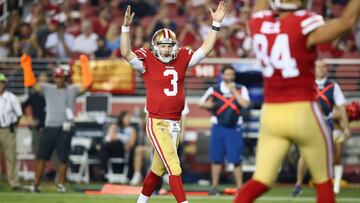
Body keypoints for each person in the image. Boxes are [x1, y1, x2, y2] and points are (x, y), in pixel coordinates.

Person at [233, 1, 360, 203]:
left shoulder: (257, 23)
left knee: (260, 181)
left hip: (272, 114)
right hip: (302, 111)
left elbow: (260, 7)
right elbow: (347, 21)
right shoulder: (303, 23)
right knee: (324, 182)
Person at [120, 2, 226, 203]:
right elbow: (126, 53)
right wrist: (125, 28)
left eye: (169, 46)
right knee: (174, 166)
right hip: (157, 122)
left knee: (157, 169)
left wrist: (216, 25)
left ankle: (141, 202)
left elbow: (206, 48)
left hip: (175, 124)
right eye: (163, 46)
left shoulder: (183, 57)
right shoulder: (147, 60)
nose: (167, 50)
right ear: (155, 46)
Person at [20, 54, 93, 192]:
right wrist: (26, 66)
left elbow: (88, 85)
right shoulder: (48, 88)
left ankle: (61, 184)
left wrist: (84, 64)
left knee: (63, 158)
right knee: (41, 156)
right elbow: (31, 84)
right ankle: (36, 185)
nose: (58, 79)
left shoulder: (72, 89)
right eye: (56, 76)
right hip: (49, 127)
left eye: (60, 77)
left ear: (66, 78)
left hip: (65, 129)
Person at [292, 59, 350, 196]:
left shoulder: (333, 86)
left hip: (326, 122)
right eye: (319, 67)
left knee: (327, 155)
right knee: (304, 155)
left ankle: (325, 185)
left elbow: (341, 107)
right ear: (314, 68)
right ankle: (298, 184)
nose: (322, 69)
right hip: (309, 122)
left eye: (324, 67)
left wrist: (346, 126)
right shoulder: (306, 83)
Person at [199, 65, 250, 195]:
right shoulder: (214, 89)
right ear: (222, 75)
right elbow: (201, 103)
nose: (230, 77)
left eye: (232, 74)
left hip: (234, 127)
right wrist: (208, 105)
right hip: (218, 126)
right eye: (227, 74)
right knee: (216, 159)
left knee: (236, 159)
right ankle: (214, 187)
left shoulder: (241, 88)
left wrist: (235, 92)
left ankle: (240, 188)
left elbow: (245, 104)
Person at [0, 73, 23, 190]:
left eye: (1, 83)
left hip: (7, 130)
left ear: (4, 84)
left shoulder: (11, 97)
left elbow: (19, 114)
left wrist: (14, 126)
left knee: (11, 157)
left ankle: (14, 183)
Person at [99, 111, 137, 179]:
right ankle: (103, 170)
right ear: (122, 118)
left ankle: (103, 170)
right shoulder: (115, 126)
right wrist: (120, 138)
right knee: (105, 145)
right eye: (127, 118)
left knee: (116, 143)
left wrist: (119, 139)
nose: (129, 119)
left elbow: (131, 143)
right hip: (112, 149)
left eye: (129, 118)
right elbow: (111, 136)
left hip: (123, 150)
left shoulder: (132, 130)